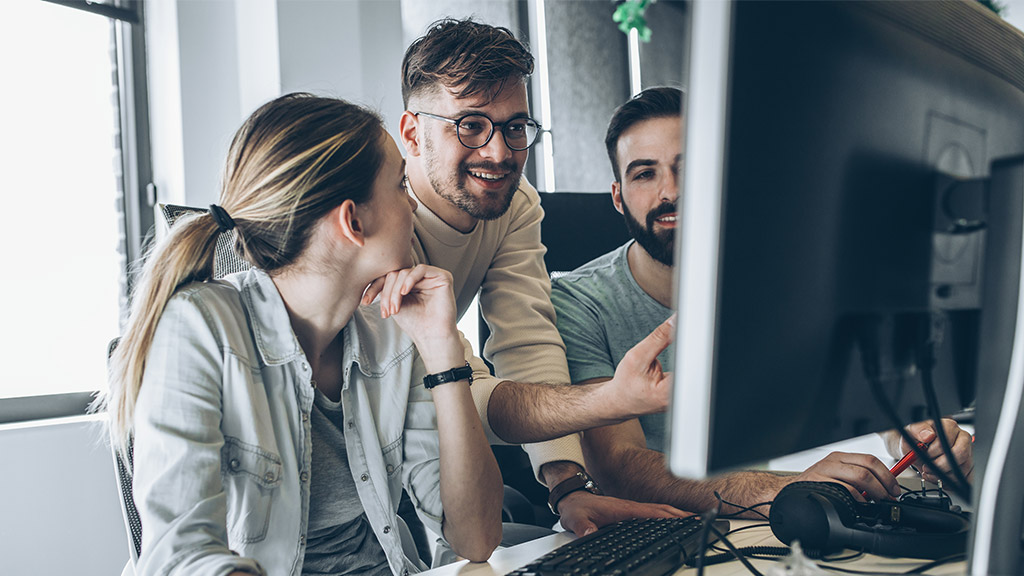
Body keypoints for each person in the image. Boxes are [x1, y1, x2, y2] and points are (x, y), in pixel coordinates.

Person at [102, 93, 505, 576]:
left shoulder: (394, 331)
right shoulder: (198, 329)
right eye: (400, 186)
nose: (413, 205)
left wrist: (443, 351)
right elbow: (181, 556)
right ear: (353, 221)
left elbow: (476, 539)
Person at [550, 86, 975, 515]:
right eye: (645, 173)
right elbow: (620, 466)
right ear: (618, 196)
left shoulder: (777, 279)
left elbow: (860, 390)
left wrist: (914, 432)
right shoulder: (579, 299)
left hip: (765, 526)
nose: (671, 192)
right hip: (649, 535)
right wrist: (778, 488)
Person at [398, 18, 685, 534]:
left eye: (514, 126)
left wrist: (568, 487)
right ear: (413, 133)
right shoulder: (382, 223)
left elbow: (526, 345)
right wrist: (607, 401)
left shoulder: (515, 202)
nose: (499, 152)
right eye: (470, 124)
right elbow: (461, 389)